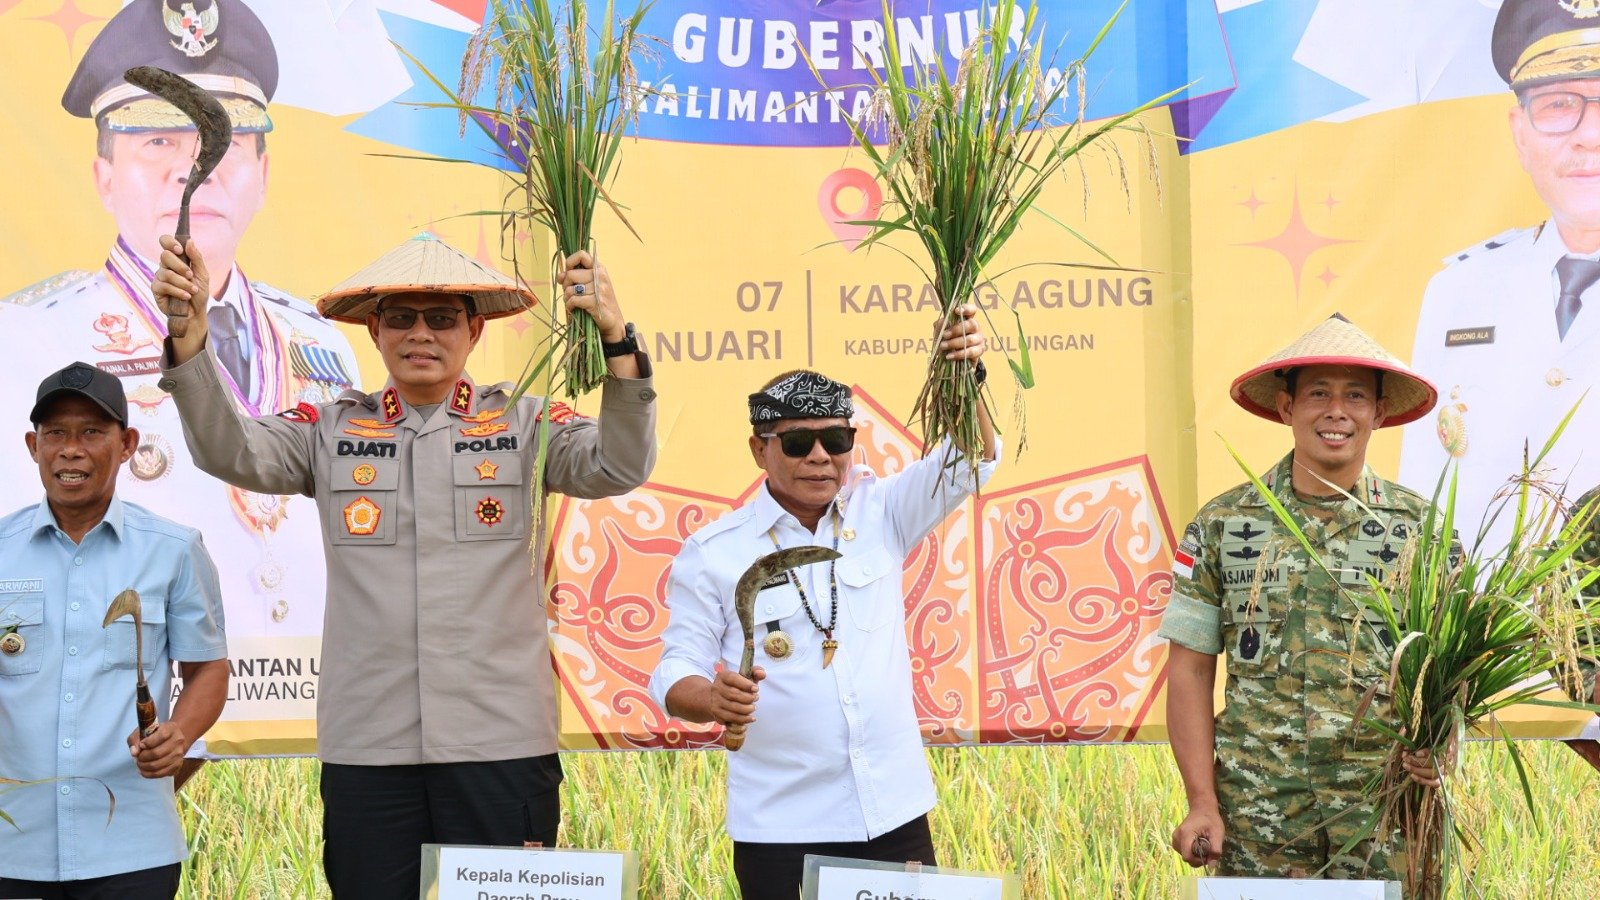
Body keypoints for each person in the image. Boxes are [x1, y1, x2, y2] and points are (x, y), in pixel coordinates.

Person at [150, 230, 657, 897]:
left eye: (442, 318)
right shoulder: (329, 430)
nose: (421, 333)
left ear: (474, 331)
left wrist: (616, 341)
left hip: (499, 742)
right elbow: (231, 451)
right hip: (370, 745)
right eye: (401, 318)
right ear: (375, 331)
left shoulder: (526, 424)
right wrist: (190, 341)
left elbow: (618, 464)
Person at [0, 0, 359, 645]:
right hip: (137, 692)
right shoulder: (24, 340)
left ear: (262, 174)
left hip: (310, 693)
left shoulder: (322, 343)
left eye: (222, 142)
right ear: (105, 177)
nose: (194, 169)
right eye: (158, 141)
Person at [649, 306, 997, 900]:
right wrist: (712, 699)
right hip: (781, 827)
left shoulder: (883, 511)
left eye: (835, 440)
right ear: (759, 450)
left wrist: (966, 372)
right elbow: (674, 669)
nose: (819, 456)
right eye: (797, 442)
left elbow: (973, 457)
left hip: (893, 812)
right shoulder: (714, 553)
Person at [1161, 314, 1447, 879]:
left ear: (1378, 413)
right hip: (1258, 821)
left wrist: (1442, 748)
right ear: (1287, 407)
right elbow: (1189, 670)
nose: (1336, 411)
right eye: (1318, 393)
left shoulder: (1420, 530)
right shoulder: (1223, 524)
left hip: (1386, 818)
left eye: (1355, 396)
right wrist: (1201, 801)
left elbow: (1449, 673)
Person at [0, 362, 228, 899]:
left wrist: (180, 734)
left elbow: (209, 669)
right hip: (12, 846)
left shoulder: (173, 550)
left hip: (132, 846)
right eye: (55, 433)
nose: (71, 450)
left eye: (91, 432)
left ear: (127, 445)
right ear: (33, 446)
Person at [1400, 0, 1600, 554]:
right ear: (1520, 132)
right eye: (1559, 105)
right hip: (1480, 610)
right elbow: (1421, 500)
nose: (1589, 135)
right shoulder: (1459, 291)